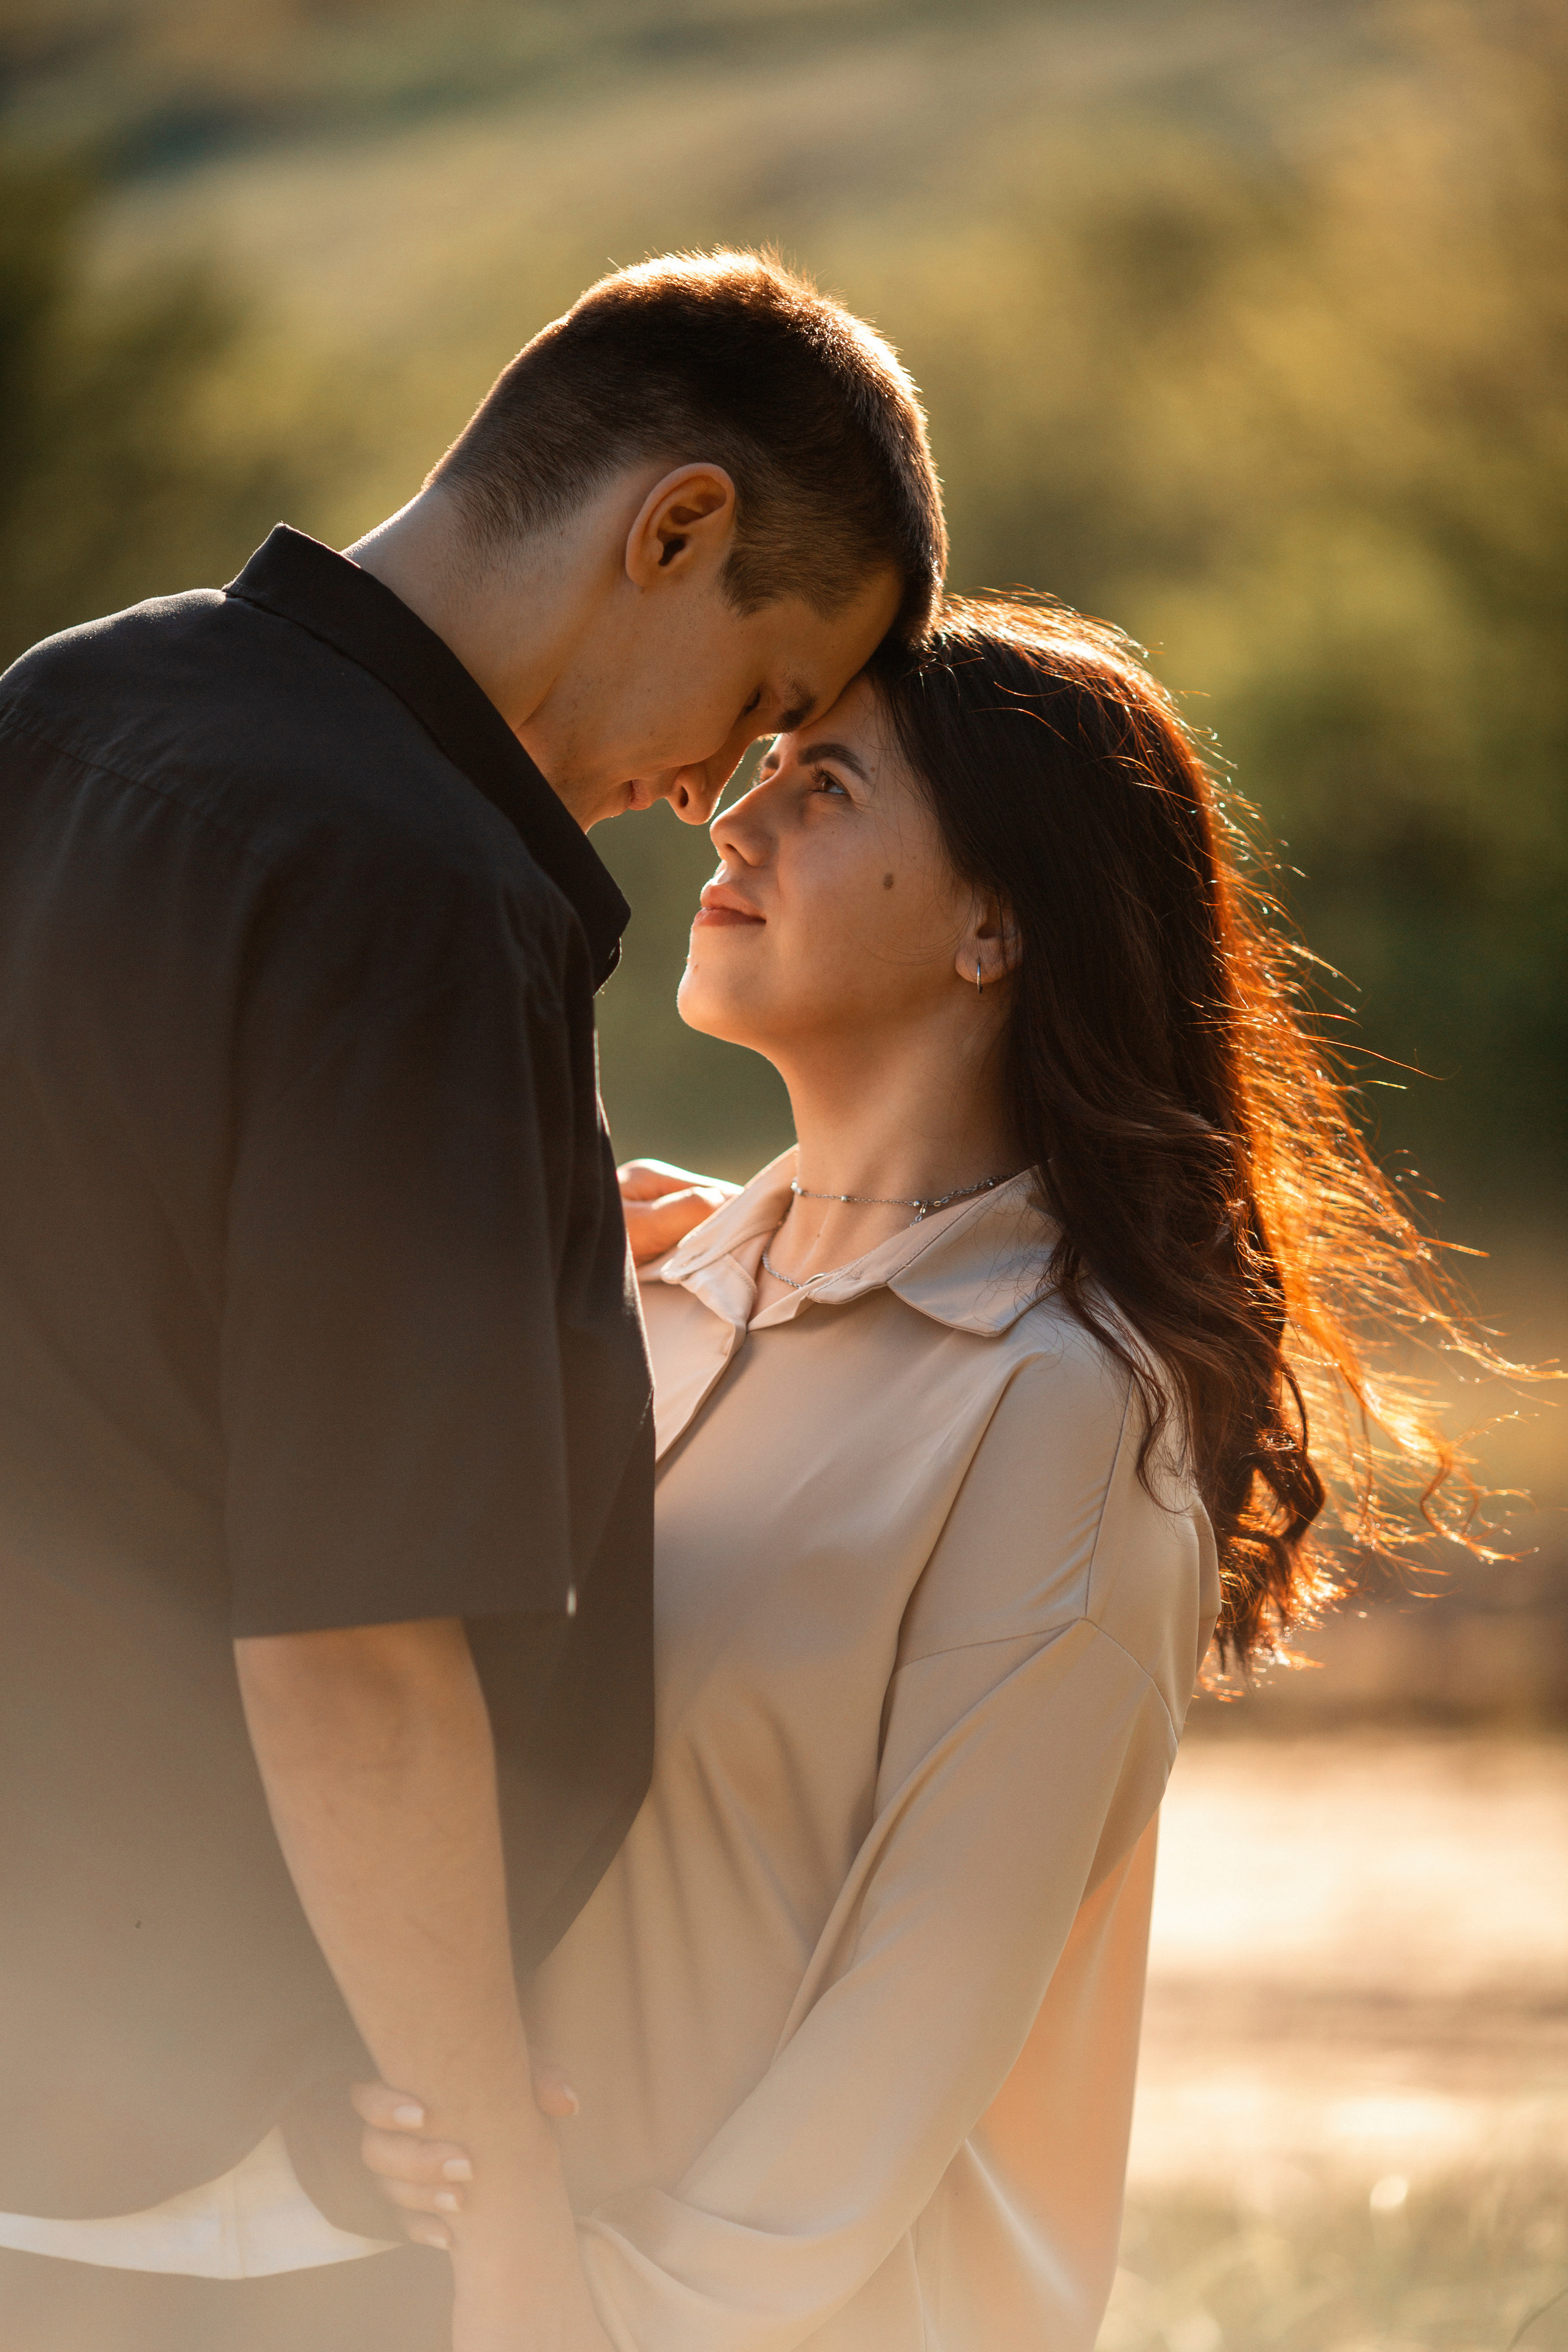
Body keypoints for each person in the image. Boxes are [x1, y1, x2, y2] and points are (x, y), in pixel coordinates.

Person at [352, 597, 1485, 2350]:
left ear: (992, 926)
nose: (736, 817)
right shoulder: (631, 1285)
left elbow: (913, 2020)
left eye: (826, 788)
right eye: (762, 772)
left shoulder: (1060, 1410)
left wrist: (593, 2314)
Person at [0, 250, 944, 2352]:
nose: (722, 787)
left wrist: (522, 1268)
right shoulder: (415, 886)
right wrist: (504, 2213)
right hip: (214, 2162)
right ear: (673, 527)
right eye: (766, 697)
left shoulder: (64, 704)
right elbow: (353, 1649)